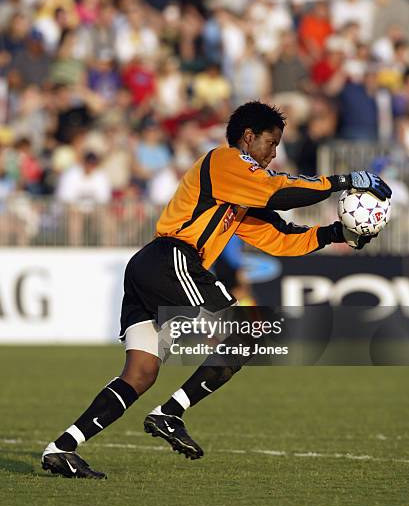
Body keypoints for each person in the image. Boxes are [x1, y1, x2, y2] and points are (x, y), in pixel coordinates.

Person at [41, 101, 391, 479]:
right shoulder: (225, 161)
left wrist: (335, 233)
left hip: (153, 267)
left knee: (140, 373)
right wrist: (343, 181)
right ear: (248, 137)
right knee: (247, 332)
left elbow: (279, 238)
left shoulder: (238, 193)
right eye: (270, 144)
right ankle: (169, 414)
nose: (274, 154)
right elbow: (278, 191)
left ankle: (62, 448)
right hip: (171, 259)